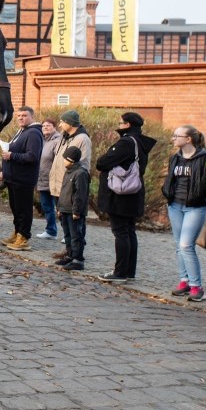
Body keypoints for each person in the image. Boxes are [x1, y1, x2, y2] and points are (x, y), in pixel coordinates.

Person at [95, 112, 157, 283]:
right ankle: (129, 271)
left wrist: (104, 158)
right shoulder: (140, 142)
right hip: (133, 193)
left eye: (121, 123)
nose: (119, 125)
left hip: (121, 195)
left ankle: (120, 272)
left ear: (127, 125)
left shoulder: (126, 142)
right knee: (129, 231)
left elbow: (102, 162)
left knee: (121, 231)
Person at [161, 125, 206, 302]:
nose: (173, 138)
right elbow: (171, 179)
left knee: (185, 245)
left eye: (177, 135)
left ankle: (197, 288)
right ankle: (185, 282)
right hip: (175, 205)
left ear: (188, 139)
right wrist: (166, 191)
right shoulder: (175, 157)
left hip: (196, 207)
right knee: (178, 245)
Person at [0, 106, 44, 251]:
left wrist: (11, 155)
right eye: (18, 115)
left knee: (23, 210)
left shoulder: (34, 134)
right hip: (13, 178)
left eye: (24, 115)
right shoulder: (22, 131)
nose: (20, 118)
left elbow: (32, 157)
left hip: (23, 180)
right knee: (16, 209)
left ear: (32, 117)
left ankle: (24, 238)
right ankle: (17, 232)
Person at [48, 109, 91, 254]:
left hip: (70, 186)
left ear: (70, 123)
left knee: (75, 224)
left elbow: (82, 164)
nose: (60, 125)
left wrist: (72, 184)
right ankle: (69, 249)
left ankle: (76, 252)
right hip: (60, 185)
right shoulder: (64, 137)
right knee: (64, 222)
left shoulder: (82, 139)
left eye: (62, 122)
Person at [55, 146, 90, 271]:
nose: (63, 160)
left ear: (72, 160)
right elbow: (63, 191)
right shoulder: (68, 171)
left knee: (76, 235)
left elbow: (80, 194)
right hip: (65, 208)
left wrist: (76, 211)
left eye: (65, 158)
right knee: (68, 235)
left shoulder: (80, 173)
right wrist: (59, 207)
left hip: (74, 211)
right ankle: (70, 255)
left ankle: (78, 259)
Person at [35, 118, 62, 240]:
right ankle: (51, 231)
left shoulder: (58, 140)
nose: (45, 127)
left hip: (55, 180)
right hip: (42, 179)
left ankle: (68, 234)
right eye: (43, 125)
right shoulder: (42, 140)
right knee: (47, 207)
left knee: (61, 208)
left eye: (48, 125)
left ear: (55, 127)